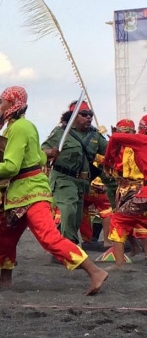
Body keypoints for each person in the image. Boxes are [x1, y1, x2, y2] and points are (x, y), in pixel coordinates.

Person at [0, 86, 107, 295]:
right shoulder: (20, 127)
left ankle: (95, 271)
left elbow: (11, 166)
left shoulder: (19, 128)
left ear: (12, 103)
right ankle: (4, 279)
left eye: (1, 101)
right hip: (19, 194)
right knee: (6, 236)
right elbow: (35, 157)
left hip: (31, 192)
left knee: (48, 237)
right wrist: (48, 154)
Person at [42, 101, 108, 244]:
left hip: (82, 182)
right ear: (73, 117)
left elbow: (109, 152)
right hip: (63, 178)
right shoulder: (61, 132)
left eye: (90, 115)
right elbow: (41, 151)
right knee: (69, 209)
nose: (89, 118)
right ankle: (69, 246)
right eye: (84, 114)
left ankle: (57, 244)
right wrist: (50, 152)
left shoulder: (95, 135)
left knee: (76, 217)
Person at [103, 115, 147, 268]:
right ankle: (134, 249)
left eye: (130, 131)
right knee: (140, 220)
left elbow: (115, 140)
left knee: (119, 220)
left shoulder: (140, 142)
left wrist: (107, 160)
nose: (127, 134)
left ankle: (119, 264)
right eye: (124, 131)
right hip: (126, 188)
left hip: (139, 188)